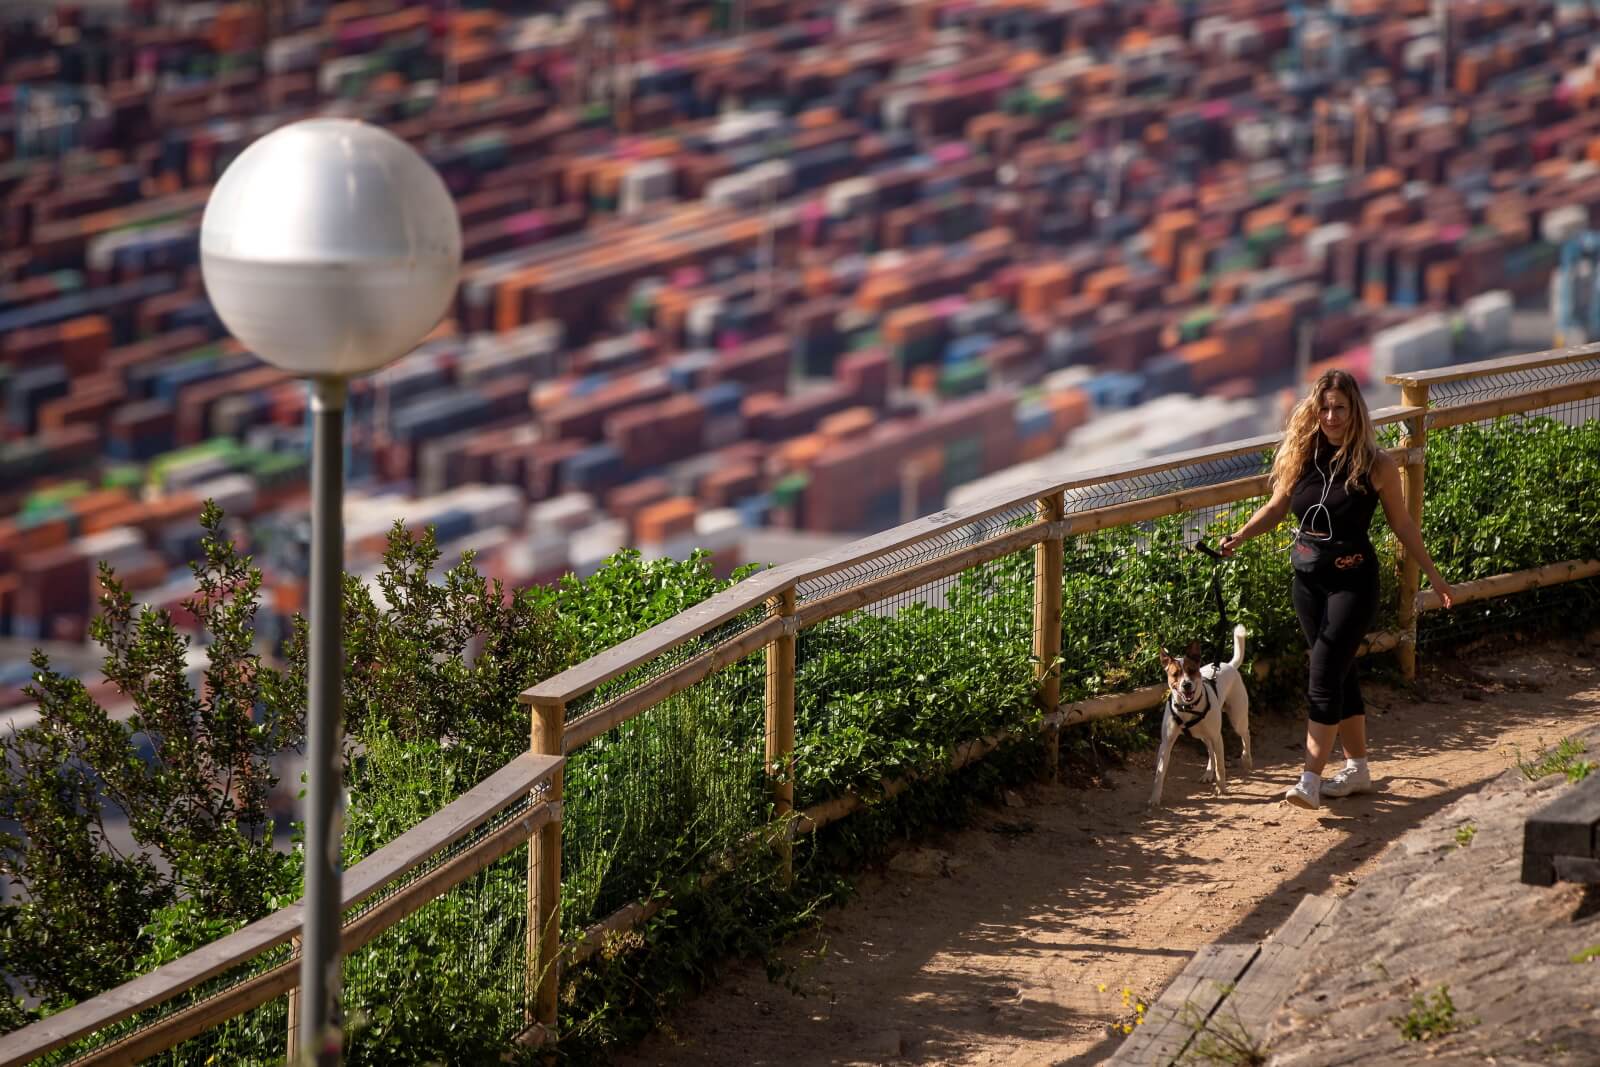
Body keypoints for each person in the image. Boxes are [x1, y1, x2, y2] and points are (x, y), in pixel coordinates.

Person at [1216, 369, 1454, 809]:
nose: (1330, 416)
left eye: (1339, 408)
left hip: (1354, 583)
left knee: (1322, 673)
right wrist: (1240, 536)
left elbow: (1403, 525)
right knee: (1340, 671)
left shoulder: (1378, 464)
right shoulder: (1303, 454)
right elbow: (1276, 507)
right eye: (1324, 407)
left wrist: (1434, 576)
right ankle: (1358, 769)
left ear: (1355, 410)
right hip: (1307, 581)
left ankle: (1310, 779)